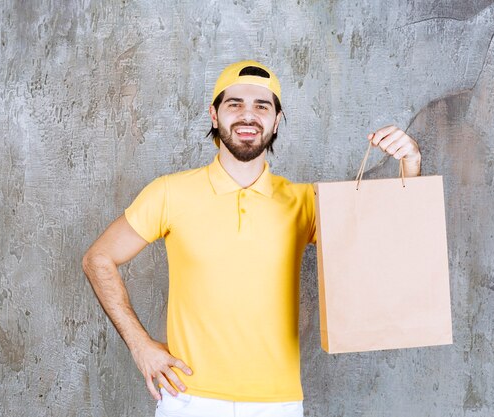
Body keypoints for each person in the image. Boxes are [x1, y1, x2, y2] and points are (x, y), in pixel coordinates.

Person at [82, 60, 421, 417]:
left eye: (262, 106)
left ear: (276, 120)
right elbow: (98, 258)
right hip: (188, 398)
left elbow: (390, 237)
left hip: (278, 403)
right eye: (235, 104)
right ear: (214, 115)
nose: (248, 115)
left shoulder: (305, 201)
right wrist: (140, 346)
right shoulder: (169, 193)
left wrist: (410, 163)